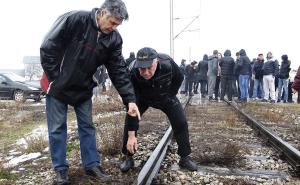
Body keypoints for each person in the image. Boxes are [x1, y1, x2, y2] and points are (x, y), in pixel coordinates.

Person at [40, 0, 140, 184]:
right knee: (57, 129)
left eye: (118, 24)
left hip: (83, 87)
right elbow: (48, 47)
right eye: (112, 22)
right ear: (102, 13)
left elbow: (118, 70)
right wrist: (56, 77)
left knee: (87, 127)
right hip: (58, 85)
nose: (115, 27)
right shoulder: (75, 19)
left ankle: (92, 165)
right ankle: (61, 170)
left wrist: (130, 99)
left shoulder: (114, 39)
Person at [119, 47, 198, 172]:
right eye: (142, 68)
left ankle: (185, 157)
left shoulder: (168, 64)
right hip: (142, 98)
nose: (145, 72)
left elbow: (179, 77)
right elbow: (130, 98)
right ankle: (128, 156)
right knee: (130, 122)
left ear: (156, 62)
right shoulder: (132, 72)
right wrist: (132, 130)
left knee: (181, 122)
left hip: (164, 96)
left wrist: (170, 94)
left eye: (149, 67)